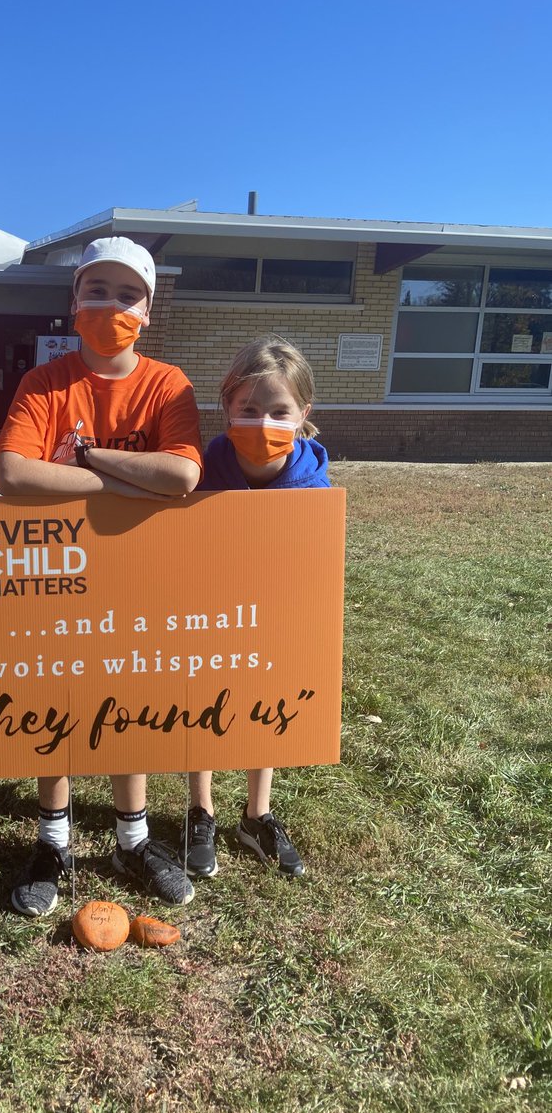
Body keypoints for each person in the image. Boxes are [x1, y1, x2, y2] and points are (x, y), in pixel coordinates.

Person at [0, 236, 203, 915]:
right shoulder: (44, 383)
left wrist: (87, 460)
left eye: (127, 294)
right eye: (96, 290)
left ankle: (132, 837)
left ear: (148, 311)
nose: (111, 305)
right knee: (54, 698)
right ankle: (53, 838)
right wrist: (119, 480)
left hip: (140, 573)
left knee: (128, 698)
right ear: (72, 301)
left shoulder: (167, 384)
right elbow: (15, 472)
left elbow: (182, 474)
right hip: (56, 572)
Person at [182, 336, 330, 881]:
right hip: (209, 609)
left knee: (264, 699)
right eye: (248, 409)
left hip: (274, 613)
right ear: (226, 409)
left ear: (303, 415)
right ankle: (202, 810)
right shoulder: (201, 469)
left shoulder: (314, 486)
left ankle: (257, 812)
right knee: (205, 697)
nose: (263, 421)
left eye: (279, 410)